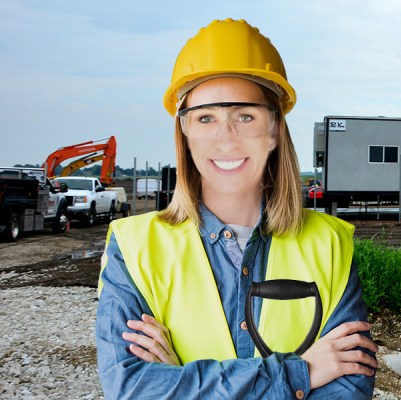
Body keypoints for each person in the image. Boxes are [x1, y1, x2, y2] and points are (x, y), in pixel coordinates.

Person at [96, 19, 377, 399]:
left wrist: (179, 381)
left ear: (275, 129)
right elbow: (131, 388)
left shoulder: (329, 244)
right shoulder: (133, 247)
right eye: (205, 118)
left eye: (245, 116)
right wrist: (300, 374)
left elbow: (349, 387)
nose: (225, 138)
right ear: (185, 133)